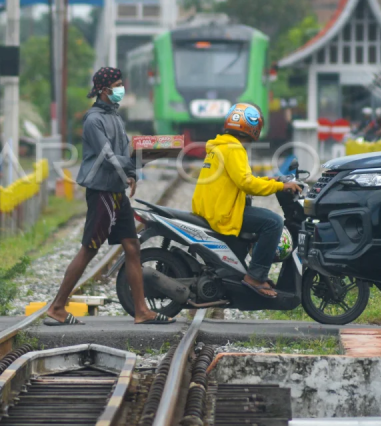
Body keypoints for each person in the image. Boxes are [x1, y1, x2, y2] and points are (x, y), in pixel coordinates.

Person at [45, 67, 174, 326]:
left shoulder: (115, 117)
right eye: (116, 85)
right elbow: (107, 155)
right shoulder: (93, 120)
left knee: (132, 247)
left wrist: (137, 169)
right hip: (102, 191)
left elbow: (124, 150)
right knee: (89, 249)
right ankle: (57, 307)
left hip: (116, 191)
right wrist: (127, 173)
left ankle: (141, 311)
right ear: (104, 90)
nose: (120, 89)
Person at [191, 103, 302, 298]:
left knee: (260, 216)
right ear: (253, 127)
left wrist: (270, 181)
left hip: (212, 207)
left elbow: (240, 178)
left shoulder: (221, 145)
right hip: (223, 211)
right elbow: (246, 183)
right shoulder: (234, 149)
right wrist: (280, 186)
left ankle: (242, 269)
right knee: (273, 222)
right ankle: (255, 276)